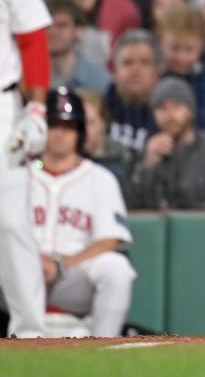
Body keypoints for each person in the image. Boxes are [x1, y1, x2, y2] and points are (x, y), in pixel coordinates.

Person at [20, 87, 136, 337]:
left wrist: (62, 264)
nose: (60, 133)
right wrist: (28, 260)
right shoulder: (16, 175)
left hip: (70, 276)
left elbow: (110, 239)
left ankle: (103, 353)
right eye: (53, 124)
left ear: (80, 132)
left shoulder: (100, 178)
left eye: (69, 126)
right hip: (20, 275)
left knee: (116, 269)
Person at [0, 0, 51, 338]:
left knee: (11, 222)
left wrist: (36, 109)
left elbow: (34, 43)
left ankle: (30, 334)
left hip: (3, 105)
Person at [126, 77, 205, 210]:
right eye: (162, 108)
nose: (170, 115)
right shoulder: (144, 156)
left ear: (191, 111)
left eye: (176, 106)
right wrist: (147, 167)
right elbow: (132, 207)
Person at [155, 5, 205, 130]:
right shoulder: (152, 79)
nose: (181, 58)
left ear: (201, 47)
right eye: (175, 48)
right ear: (161, 41)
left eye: (189, 50)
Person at [106, 30, 160, 154]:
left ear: (157, 71)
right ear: (115, 69)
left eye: (144, 63)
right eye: (127, 63)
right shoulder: (100, 110)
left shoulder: (169, 113)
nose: (136, 70)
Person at [47, 0, 112, 96]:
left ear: (78, 30)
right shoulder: (28, 78)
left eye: (62, 25)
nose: (53, 32)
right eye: (47, 26)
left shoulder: (100, 81)